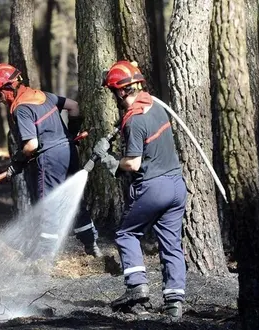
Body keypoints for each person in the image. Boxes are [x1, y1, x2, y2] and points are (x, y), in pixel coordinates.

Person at [92, 60, 187, 318]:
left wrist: (107, 159)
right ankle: (174, 303)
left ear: (122, 91)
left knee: (125, 233)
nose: (113, 97)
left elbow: (133, 164)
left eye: (113, 91)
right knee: (171, 244)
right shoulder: (155, 106)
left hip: (154, 188)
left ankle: (137, 288)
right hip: (177, 187)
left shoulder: (134, 121)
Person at [0, 63, 102, 258]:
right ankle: (91, 244)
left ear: (8, 88)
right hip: (69, 153)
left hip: (50, 159)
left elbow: (31, 145)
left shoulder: (21, 108)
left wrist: (18, 162)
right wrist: (70, 135)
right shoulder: (43, 96)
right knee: (73, 199)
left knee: (49, 204)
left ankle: (45, 256)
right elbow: (74, 107)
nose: (0, 100)